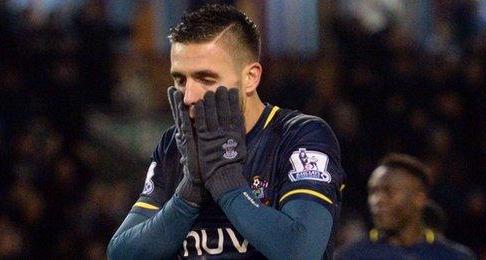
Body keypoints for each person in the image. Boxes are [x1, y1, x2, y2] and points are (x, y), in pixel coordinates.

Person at [107, 4, 345, 259]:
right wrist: (187, 195)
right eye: (180, 80)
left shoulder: (300, 136)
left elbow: (301, 251)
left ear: (251, 77)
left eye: (206, 79)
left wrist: (228, 185)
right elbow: (121, 253)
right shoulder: (174, 146)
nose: (188, 96)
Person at [335, 154, 476, 259]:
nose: (377, 200)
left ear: (419, 199)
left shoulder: (455, 257)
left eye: (388, 191)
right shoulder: (350, 256)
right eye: (373, 191)